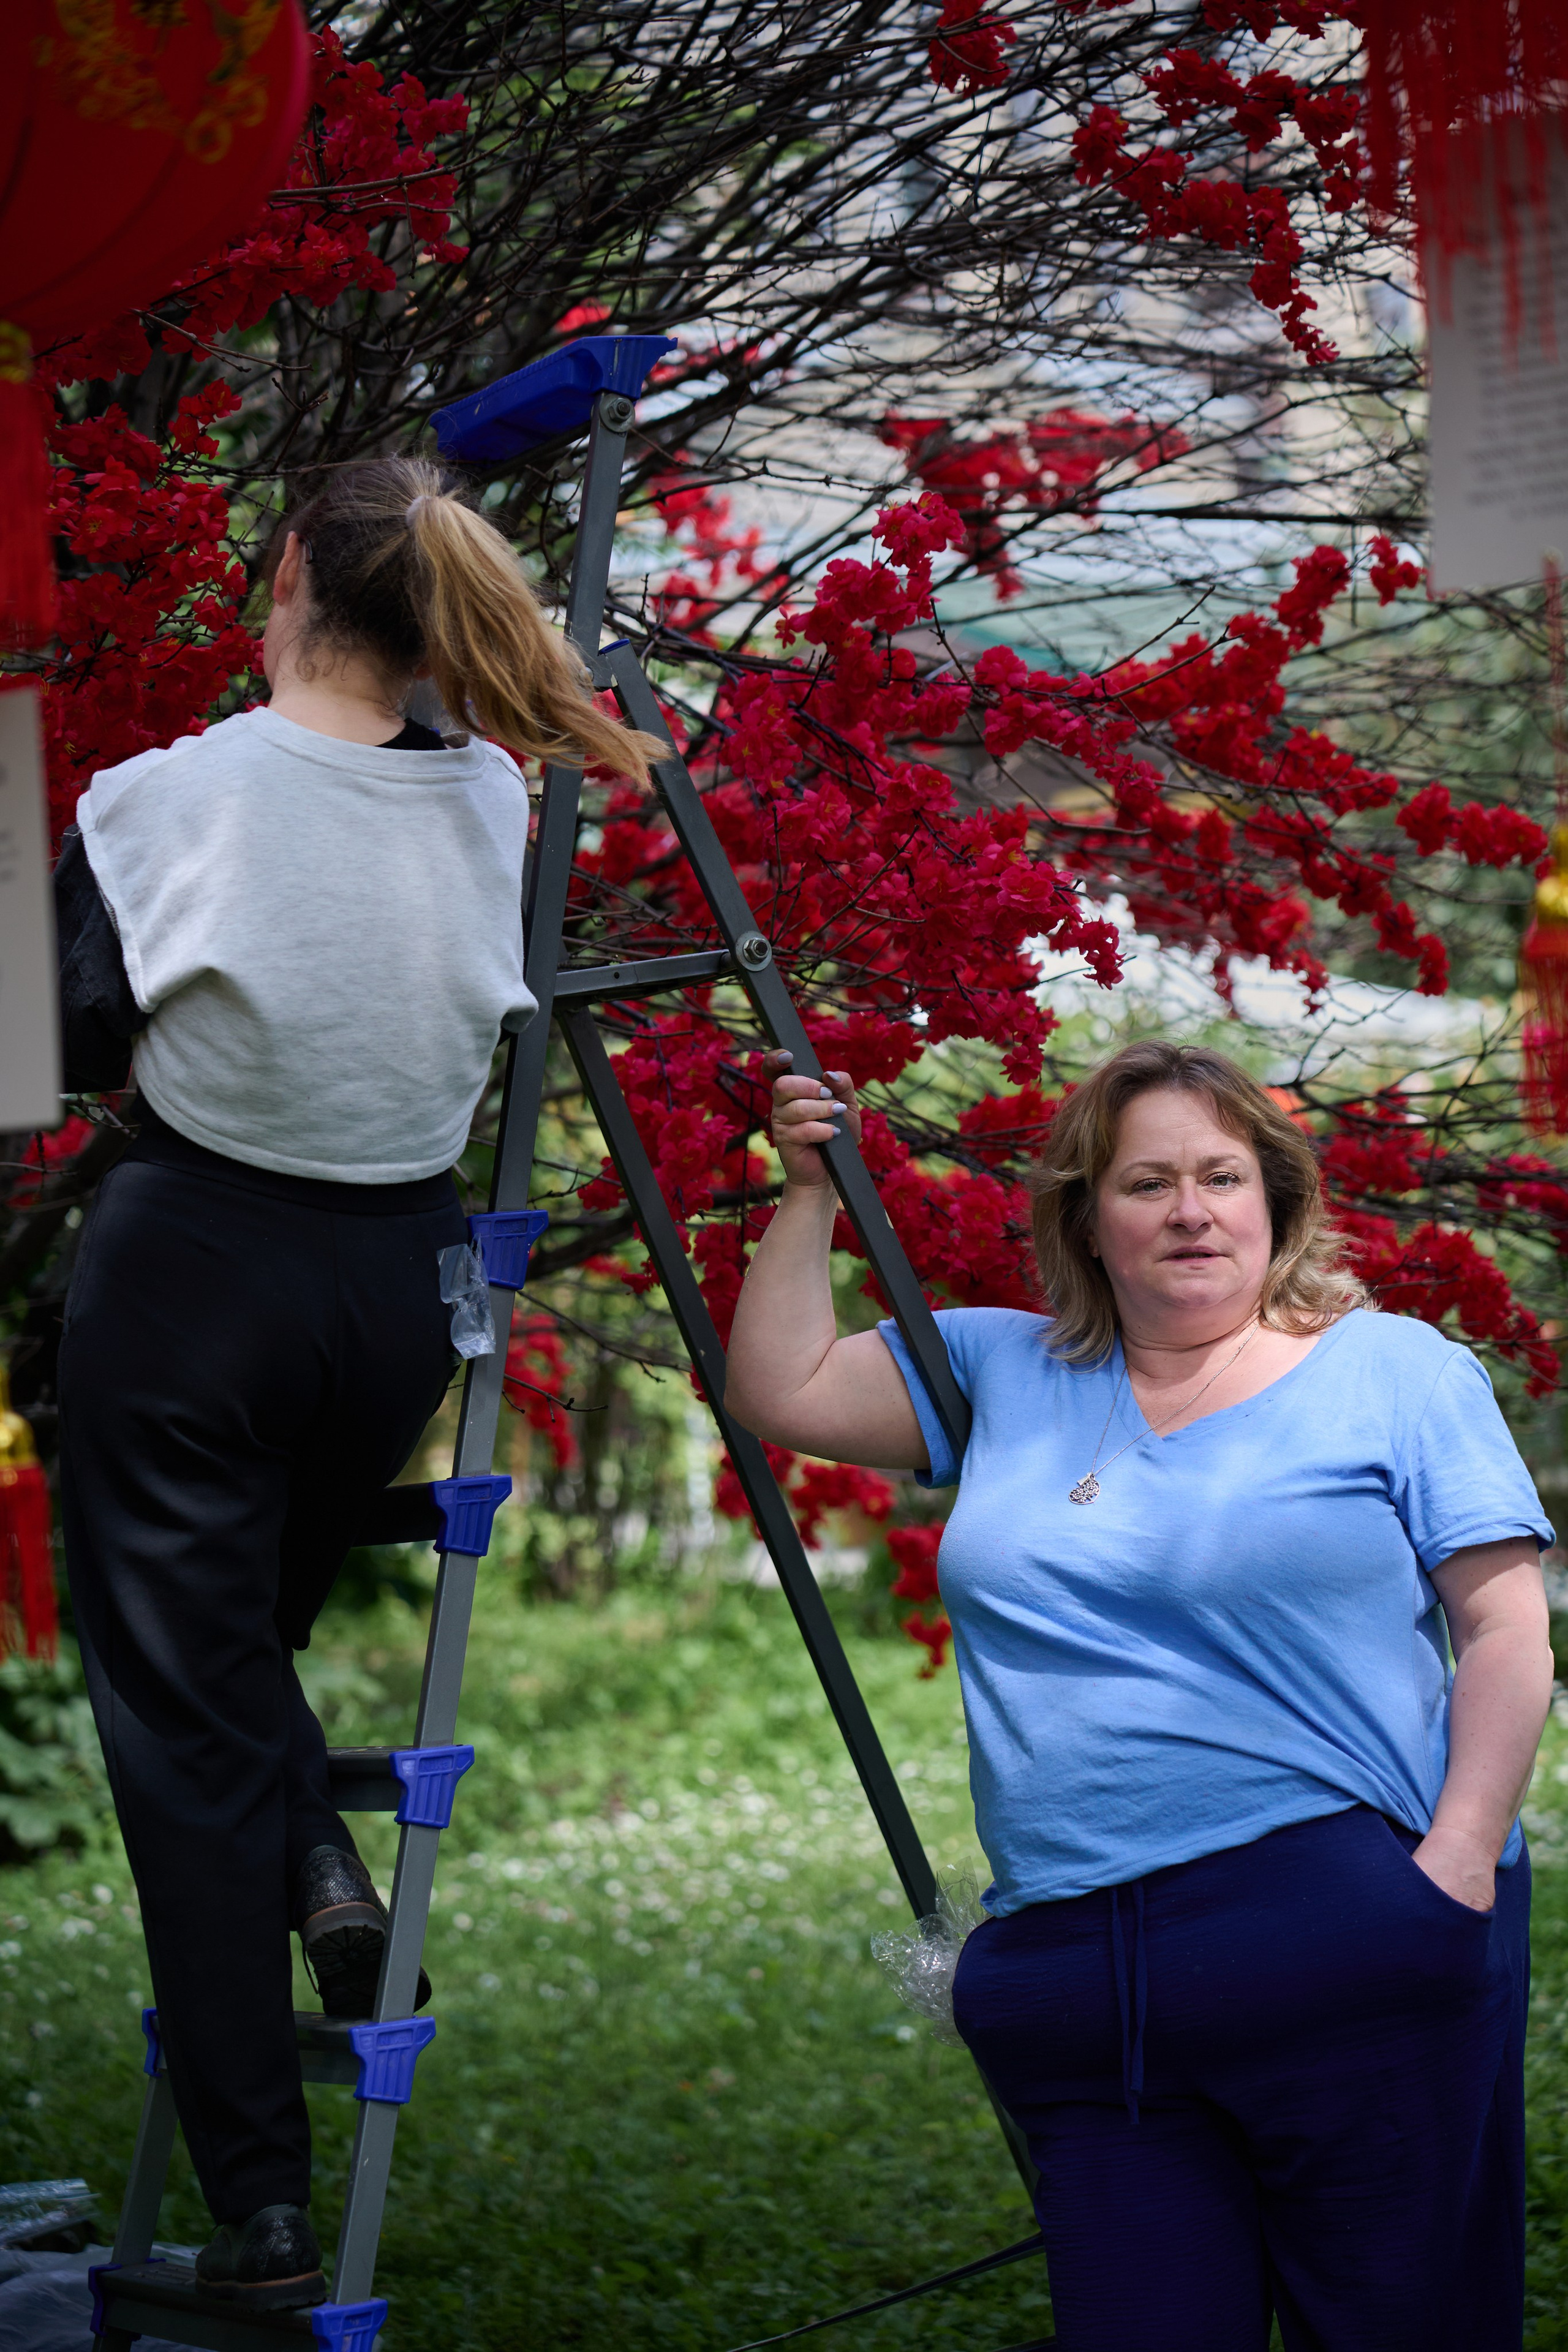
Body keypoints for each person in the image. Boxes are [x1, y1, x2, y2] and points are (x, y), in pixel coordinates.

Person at [54, 458, 660, 2309]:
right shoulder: (497, 796)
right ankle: (323, 1862)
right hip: (391, 1300)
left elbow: (66, 1044)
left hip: (197, 1275)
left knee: (185, 1736)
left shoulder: (170, 798)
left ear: (297, 572)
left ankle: (261, 2206)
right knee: (231, 1677)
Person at [725, 1038, 1554, 2352]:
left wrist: (1448, 1869)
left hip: (1344, 1937)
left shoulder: (1393, 1371)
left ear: (1274, 1201)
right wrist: (809, 1194)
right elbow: (782, 1387)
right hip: (1075, 1981)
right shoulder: (1006, 1369)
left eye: (1220, 1176)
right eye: (1145, 1181)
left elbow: (1504, 1626)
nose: (1187, 1210)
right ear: (1085, 1220)